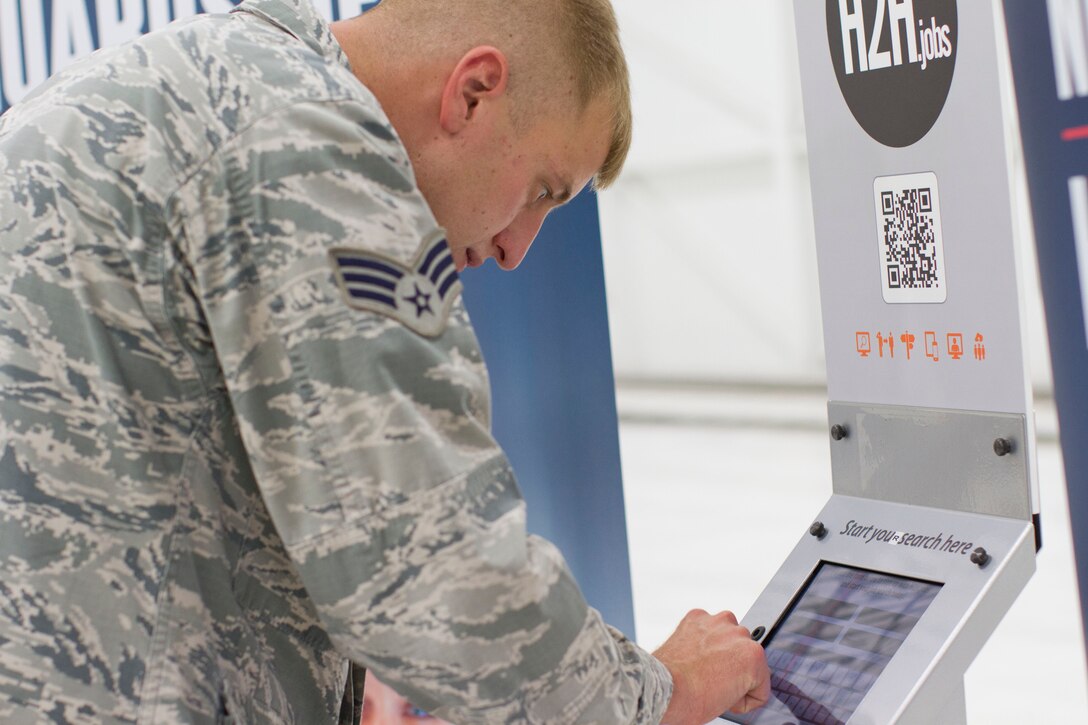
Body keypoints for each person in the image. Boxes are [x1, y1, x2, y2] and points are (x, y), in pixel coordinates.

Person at [0, 0, 770, 723]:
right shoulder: (309, 141)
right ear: (473, 91)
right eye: (541, 190)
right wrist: (656, 692)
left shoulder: (197, 88)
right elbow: (436, 577)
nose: (515, 248)